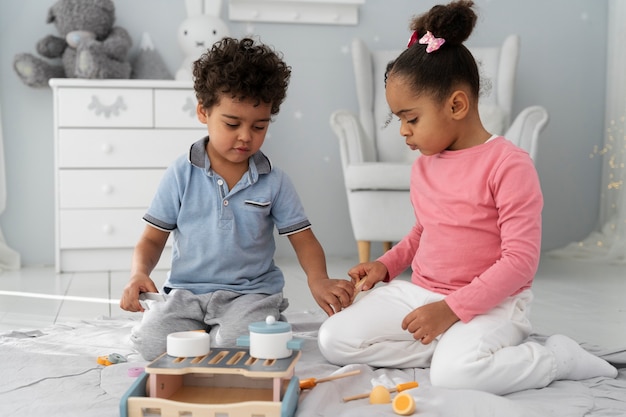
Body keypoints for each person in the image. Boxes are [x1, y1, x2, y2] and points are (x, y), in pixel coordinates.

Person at [317, 0, 617, 395]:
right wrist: (386, 267)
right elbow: (423, 231)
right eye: (399, 121)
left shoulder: (508, 164)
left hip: (493, 303)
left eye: (411, 118)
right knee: (333, 339)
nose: (403, 132)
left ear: (456, 104)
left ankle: (554, 357)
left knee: (454, 376)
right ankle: (450, 346)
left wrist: (451, 310)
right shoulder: (425, 164)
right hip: (422, 291)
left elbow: (520, 261)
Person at [120, 37, 355, 361]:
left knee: (238, 345)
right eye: (232, 124)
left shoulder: (274, 180)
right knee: (151, 346)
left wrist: (319, 280)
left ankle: (260, 322)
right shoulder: (180, 173)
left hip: (250, 294)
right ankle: (200, 328)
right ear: (203, 111)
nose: (246, 136)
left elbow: (304, 240)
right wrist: (138, 273)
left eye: (259, 126)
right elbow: (151, 238)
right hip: (186, 293)